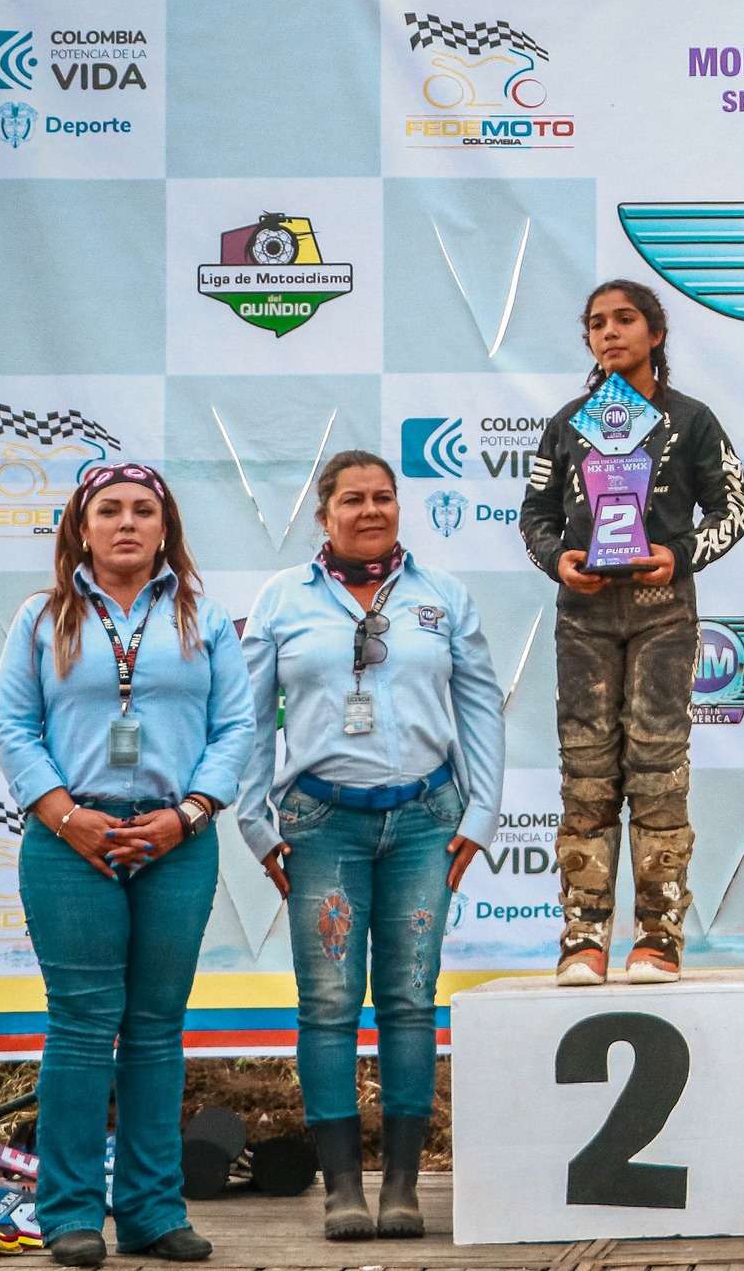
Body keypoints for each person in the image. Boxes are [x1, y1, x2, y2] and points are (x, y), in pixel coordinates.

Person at [0, 462, 253, 1267]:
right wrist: (69, 819)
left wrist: (188, 815)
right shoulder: (42, 617)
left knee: (154, 1031)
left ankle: (149, 1213)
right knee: (79, 1028)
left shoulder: (201, 617)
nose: (128, 522)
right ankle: (68, 1214)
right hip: (71, 844)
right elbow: (12, 726)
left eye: (145, 510)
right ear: (83, 525)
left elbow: (236, 726)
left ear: (165, 528)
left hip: (177, 843)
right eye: (111, 510)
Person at [237, 451, 505, 1243]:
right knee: (327, 1007)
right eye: (352, 500)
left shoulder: (440, 597)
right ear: (324, 515)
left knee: (409, 1001)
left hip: (426, 820)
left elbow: (482, 706)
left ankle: (402, 1188)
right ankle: (342, 1189)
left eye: (384, 497)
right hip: (322, 825)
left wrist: (481, 815)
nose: (370, 510)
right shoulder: (282, 600)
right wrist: (255, 824)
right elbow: (251, 721)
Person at [519, 278, 744, 986]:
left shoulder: (693, 420)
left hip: (663, 617)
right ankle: (583, 937)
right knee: (586, 777)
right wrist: (558, 560)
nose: (610, 332)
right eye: (596, 323)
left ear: (656, 333)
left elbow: (733, 509)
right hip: (584, 619)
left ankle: (659, 936)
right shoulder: (567, 423)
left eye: (625, 320)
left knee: (657, 773)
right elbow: (534, 517)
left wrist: (676, 556)